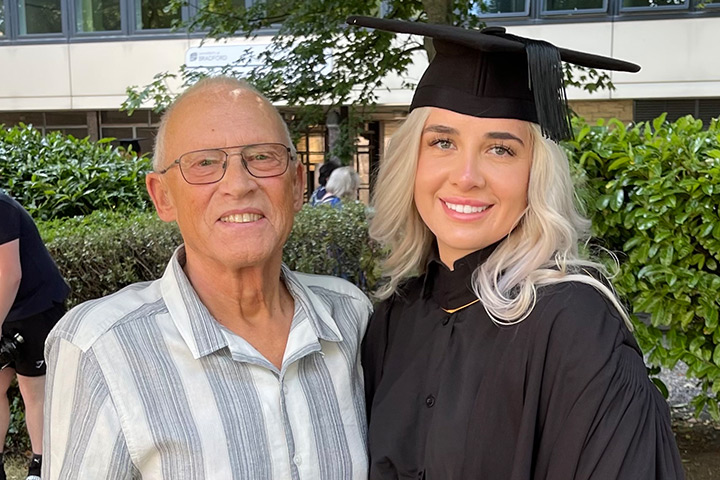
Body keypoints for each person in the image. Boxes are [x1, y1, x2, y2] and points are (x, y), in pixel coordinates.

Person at [348, 16, 685, 480]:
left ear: (537, 176)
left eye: (501, 149)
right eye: (442, 142)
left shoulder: (574, 327)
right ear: (412, 161)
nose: (466, 176)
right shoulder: (394, 318)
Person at [43, 77, 372, 479]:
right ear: (162, 196)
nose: (238, 184)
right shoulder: (101, 347)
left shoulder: (350, 317)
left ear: (297, 184)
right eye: (204, 163)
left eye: (263, 157)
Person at [0, 191, 69, 480]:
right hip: (5, 308)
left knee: (34, 391)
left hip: (37, 306)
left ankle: (40, 469)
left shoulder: (2, 209)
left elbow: (10, 273)